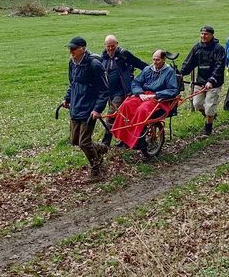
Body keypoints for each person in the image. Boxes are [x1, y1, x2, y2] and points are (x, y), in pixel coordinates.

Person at [61, 36, 109, 183]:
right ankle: (100, 148)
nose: (71, 51)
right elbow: (73, 83)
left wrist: (97, 109)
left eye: (73, 49)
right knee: (75, 140)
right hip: (76, 106)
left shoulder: (94, 64)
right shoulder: (72, 63)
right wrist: (67, 98)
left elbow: (104, 90)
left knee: (84, 142)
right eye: (70, 49)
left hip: (89, 109)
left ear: (82, 49)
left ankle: (96, 171)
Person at [111, 50, 180, 148]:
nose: (155, 62)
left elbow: (172, 90)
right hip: (143, 95)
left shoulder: (169, 72)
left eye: (158, 60)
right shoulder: (148, 69)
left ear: (164, 60)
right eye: (153, 59)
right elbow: (136, 82)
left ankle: (137, 138)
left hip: (158, 98)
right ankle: (124, 137)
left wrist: (155, 95)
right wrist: (139, 93)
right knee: (127, 105)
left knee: (142, 109)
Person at [100, 35, 148, 147]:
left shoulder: (124, 55)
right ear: (105, 46)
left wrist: (152, 72)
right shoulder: (103, 57)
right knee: (121, 116)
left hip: (121, 91)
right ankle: (125, 140)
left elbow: (140, 64)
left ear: (117, 44)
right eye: (108, 46)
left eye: (113, 46)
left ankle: (105, 144)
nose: (111, 49)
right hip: (109, 92)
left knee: (111, 115)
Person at [180, 25, 226, 136]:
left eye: (206, 34)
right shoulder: (197, 48)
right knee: (197, 104)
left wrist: (211, 80)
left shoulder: (218, 49)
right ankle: (210, 116)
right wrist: (180, 73)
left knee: (209, 107)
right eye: (202, 34)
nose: (203, 36)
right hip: (200, 82)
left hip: (213, 83)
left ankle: (208, 130)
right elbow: (189, 63)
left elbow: (219, 67)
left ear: (212, 35)